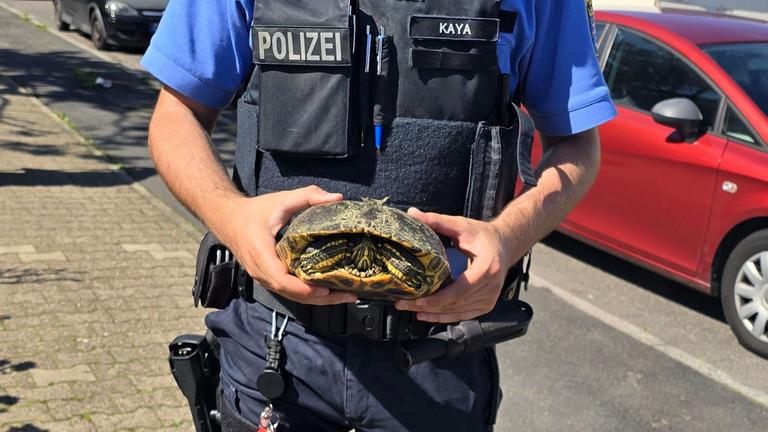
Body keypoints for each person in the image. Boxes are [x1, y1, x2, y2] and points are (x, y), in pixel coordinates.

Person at [142, 0, 616, 430]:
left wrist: (508, 238)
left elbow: (576, 145)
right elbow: (176, 115)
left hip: (438, 350)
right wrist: (229, 214)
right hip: (276, 344)